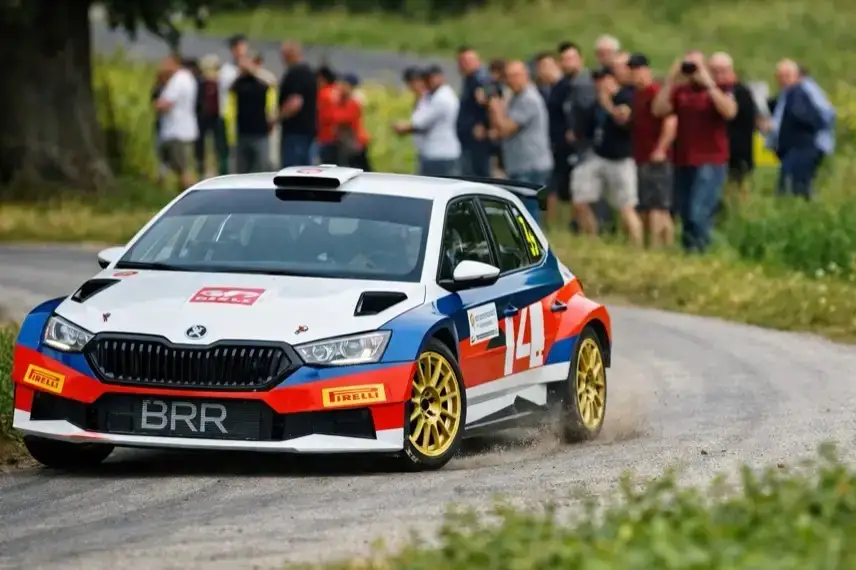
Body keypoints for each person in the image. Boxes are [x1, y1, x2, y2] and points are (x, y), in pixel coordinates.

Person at [652, 50, 737, 253]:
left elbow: (730, 111)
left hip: (711, 159)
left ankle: (703, 251)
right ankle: (691, 251)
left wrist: (708, 83)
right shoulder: (681, 90)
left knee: (699, 211)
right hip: (683, 159)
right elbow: (658, 110)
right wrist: (671, 80)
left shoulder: (720, 89)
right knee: (685, 212)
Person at [571, 62, 642, 245]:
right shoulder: (595, 102)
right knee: (580, 199)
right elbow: (585, 128)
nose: (600, 84)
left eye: (604, 79)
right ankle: (591, 238)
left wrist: (608, 104)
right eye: (597, 80)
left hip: (620, 159)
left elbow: (623, 119)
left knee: (626, 206)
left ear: (612, 79)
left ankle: (636, 245)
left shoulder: (625, 96)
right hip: (598, 155)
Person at [487, 60, 552, 223]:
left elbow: (505, 128)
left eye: (516, 76)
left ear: (526, 75)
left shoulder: (528, 99)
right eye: (508, 77)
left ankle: (535, 246)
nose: (511, 81)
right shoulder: (517, 97)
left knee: (528, 212)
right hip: (521, 163)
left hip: (531, 165)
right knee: (523, 211)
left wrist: (494, 107)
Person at [765, 59, 835, 200]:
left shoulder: (803, 90)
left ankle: (804, 214)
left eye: (787, 75)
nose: (783, 80)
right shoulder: (788, 93)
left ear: (797, 75)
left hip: (806, 144)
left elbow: (825, 114)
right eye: (780, 76)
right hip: (794, 146)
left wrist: (819, 137)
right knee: (794, 184)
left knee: (793, 184)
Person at [546, 42, 597, 230]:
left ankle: (587, 230)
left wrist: (577, 131)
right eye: (564, 59)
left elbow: (589, 113)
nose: (567, 63)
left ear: (581, 59)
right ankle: (571, 227)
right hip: (565, 147)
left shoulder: (585, 83)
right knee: (568, 191)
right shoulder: (563, 85)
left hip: (585, 148)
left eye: (571, 58)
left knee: (581, 194)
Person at [629, 53, 677, 247]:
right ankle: (662, 244)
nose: (636, 75)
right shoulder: (637, 95)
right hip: (641, 155)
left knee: (658, 206)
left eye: (639, 70)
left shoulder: (655, 91)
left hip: (656, 157)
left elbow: (671, 121)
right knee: (648, 205)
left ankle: (658, 246)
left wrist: (661, 148)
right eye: (632, 71)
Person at [708, 52, 759, 204]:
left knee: (734, 194)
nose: (719, 76)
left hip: (736, 154)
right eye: (714, 72)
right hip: (714, 155)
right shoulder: (709, 93)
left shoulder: (740, 92)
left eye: (723, 71)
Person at [393, 65, 461, 176]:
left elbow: (419, 122)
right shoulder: (434, 95)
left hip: (440, 154)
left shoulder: (441, 98)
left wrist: (402, 127)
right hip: (435, 153)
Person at [225, 52, 278, 174]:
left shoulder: (264, 80)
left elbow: (270, 84)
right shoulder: (239, 83)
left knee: (262, 169)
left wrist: (253, 71)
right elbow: (230, 88)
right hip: (242, 133)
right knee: (241, 171)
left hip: (261, 133)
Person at [153, 52, 199, 192]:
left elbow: (165, 103)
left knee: (182, 169)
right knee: (174, 167)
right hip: (177, 130)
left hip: (178, 131)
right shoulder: (185, 78)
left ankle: (191, 193)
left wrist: (157, 104)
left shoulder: (179, 79)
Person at [278, 41, 317, 167]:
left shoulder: (296, 73)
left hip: (295, 132)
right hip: (307, 131)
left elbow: (295, 103)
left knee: (292, 172)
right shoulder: (309, 72)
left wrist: (276, 118)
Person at [456, 47, 492, 177]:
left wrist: (484, 124)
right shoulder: (469, 80)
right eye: (462, 61)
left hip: (477, 142)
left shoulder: (480, 79)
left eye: (469, 60)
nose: (465, 64)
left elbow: (491, 103)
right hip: (468, 140)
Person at [218, 34, 248, 173]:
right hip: (227, 118)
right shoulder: (227, 70)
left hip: (242, 118)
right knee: (227, 155)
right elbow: (230, 87)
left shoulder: (248, 69)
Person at [330, 73, 372, 170]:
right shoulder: (344, 101)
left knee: (359, 168)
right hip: (346, 142)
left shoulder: (354, 102)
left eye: (344, 85)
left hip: (355, 143)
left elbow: (340, 118)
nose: (340, 87)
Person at [195, 54, 225, 178]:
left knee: (218, 145)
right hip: (202, 117)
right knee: (200, 145)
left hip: (216, 116)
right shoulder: (200, 84)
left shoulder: (220, 83)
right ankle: (201, 169)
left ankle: (217, 169)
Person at [315, 66, 341, 164]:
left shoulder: (323, 94)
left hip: (325, 136)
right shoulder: (337, 91)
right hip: (337, 136)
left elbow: (323, 116)